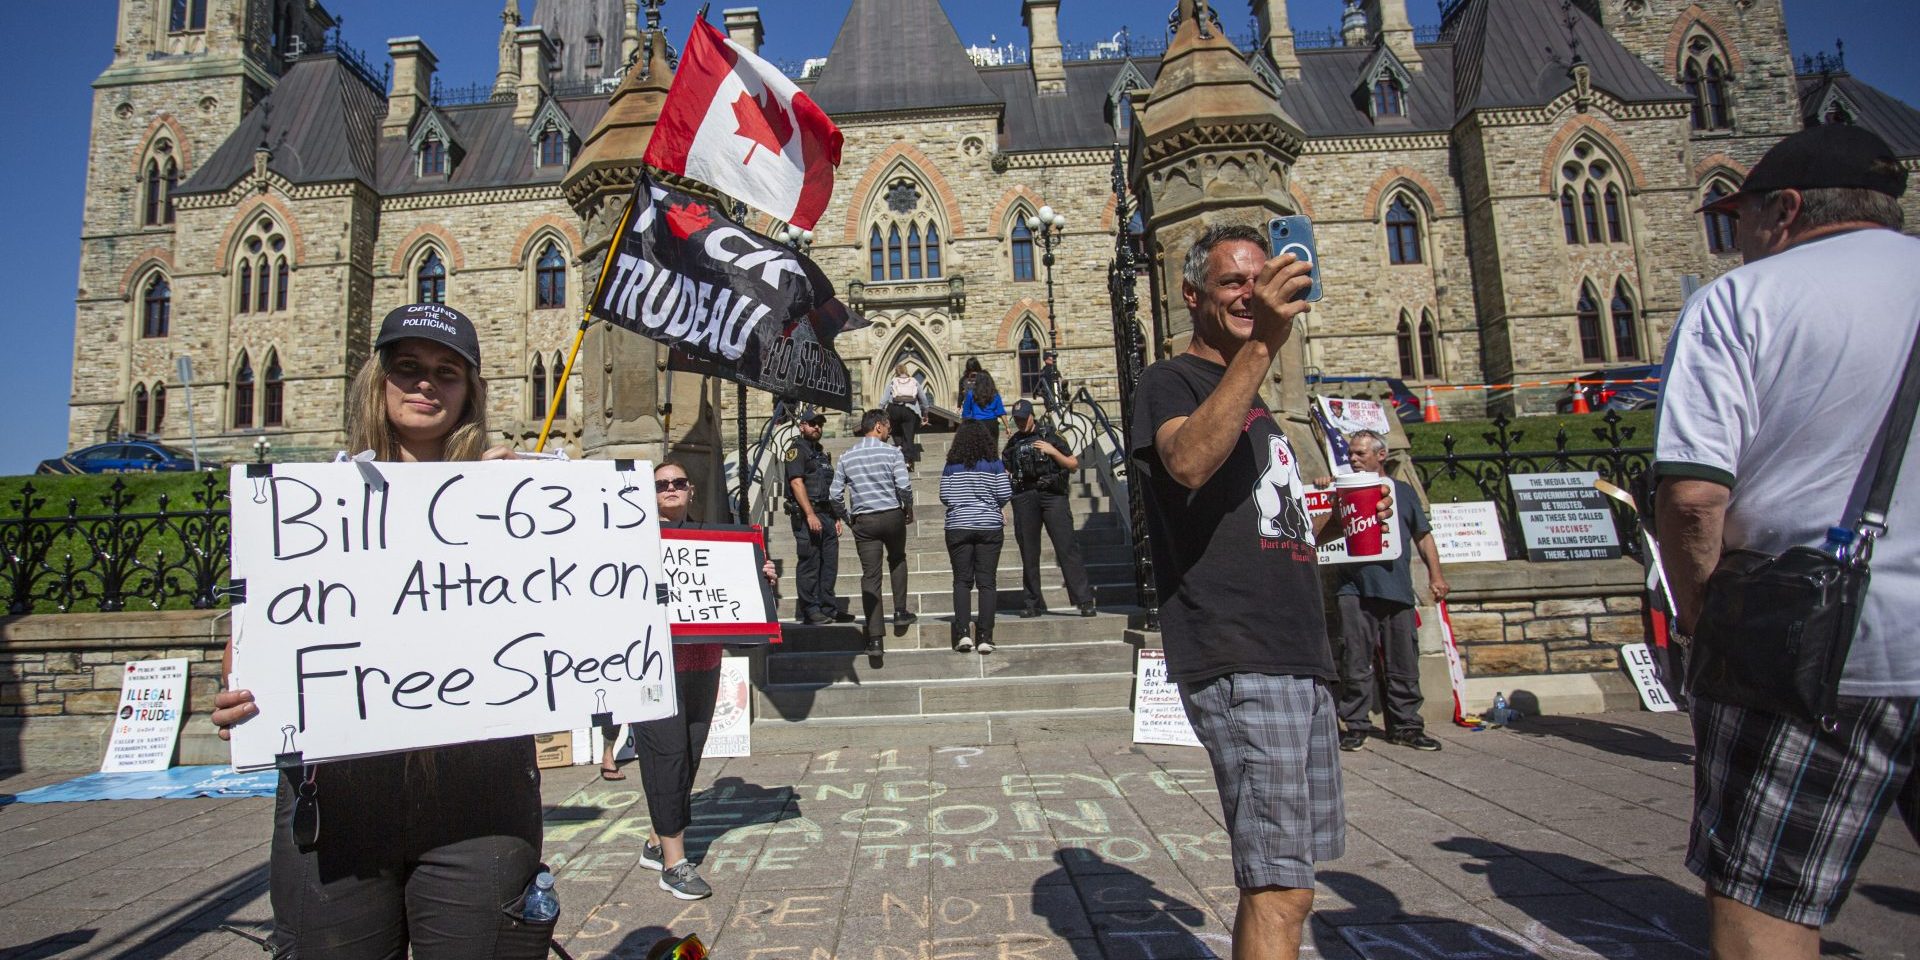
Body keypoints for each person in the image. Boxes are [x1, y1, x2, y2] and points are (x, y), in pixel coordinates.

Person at [209, 303, 551, 959]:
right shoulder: (305, 505)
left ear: (469, 390)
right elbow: (261, 636)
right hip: (337, 796)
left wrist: (523, 504)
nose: (426, 384)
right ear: (379, 378)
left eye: (447, 373)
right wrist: (241, 692)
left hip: (480, 788)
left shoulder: (513, 497)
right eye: (409, 368)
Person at [1653, 124, 1920, 960]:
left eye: (1740, 218)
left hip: (1815, 651)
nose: (1735, 239)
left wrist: (1702, 618)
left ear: (1787, 210)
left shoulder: (1745, 300)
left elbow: (1695, 498)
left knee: (1764, 903)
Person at [1130, 224, 1389, 960]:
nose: (1251, 293)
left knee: (1294, 883)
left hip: (1298, 653)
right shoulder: (1171, 381)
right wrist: (1263, 347)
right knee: (1277, 887)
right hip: (1241, 651)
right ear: (1192, 296)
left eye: (1259, 278)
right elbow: (1185, 462)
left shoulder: (1257, 394)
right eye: (1232, 283)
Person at [598, 461, 777, 901]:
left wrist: (761, 578)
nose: (672, 489)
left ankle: (658, 840)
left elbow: (732, 587)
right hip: (652, 666)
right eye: (662, 484)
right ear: (649, 493)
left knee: (691, 752)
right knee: (667, 754)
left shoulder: (713, 539)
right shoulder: (629, 539)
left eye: (679, 482)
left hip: (703, 662)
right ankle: (675, 864)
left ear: (691, 490)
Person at [1320, 429, 1447, 753]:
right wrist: (1323, 489)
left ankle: (1405, 726)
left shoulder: (1402, 492)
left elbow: (1423, 535)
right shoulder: (1341, 488)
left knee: (1403, 661)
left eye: (1361, 453)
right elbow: (1318, 516)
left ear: (1381, 455)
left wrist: (1436, 575)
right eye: (1350, 453)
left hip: (1396, 587)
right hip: (1353, 588)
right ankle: (1356, 725)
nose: (1353, 459)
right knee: (1355, 661)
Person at [831, 409, 914, 656]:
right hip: (891, 515)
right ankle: (900, 611)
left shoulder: (847, 456)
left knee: (871, 576)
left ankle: (875, 639)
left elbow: (834, 495)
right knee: (897, 559)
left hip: (864, 521)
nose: (890, 432)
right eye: (888, 427)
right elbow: (904, 486)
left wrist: (849, 519)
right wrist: (907, 508)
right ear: (878, 427)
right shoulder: (893, 453)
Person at [1003, 399, 1096, 618]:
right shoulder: (1013, 443)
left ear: (1032, 416)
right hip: (1025, 496)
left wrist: (1052, 451)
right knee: (1029, 551)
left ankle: (1083, 600)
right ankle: (1032, 602)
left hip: (1052, 495)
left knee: (1067, 547)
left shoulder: (1051, 436)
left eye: (1023, 419)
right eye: (1016, 420)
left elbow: (1072, 464)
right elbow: (1004, 469)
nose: (1020, 423)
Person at [940, 421, 1013, 654]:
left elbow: (944, 495)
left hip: (958, 525)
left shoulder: (951, 465)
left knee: (962, 581)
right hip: (988, 526)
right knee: (987, 582)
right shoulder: (994, 464)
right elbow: (1004, 493)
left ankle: (963, 633)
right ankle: (984, 636)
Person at [783, 406, 842, 625]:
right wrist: (809, 514)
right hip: (807, 515)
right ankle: (811, 609)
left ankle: (828, 606)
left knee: (829, 564)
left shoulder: (820, 453)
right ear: (802, 426)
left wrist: (835, 517)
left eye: (820, 424)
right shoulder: (797, 450)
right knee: (810, 562)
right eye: (812, 423)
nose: (817, 427)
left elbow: (828, 487)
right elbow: (796, 482)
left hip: (826, 514)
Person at [885, 364, 931, 467]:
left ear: (896, 372)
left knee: (896, 432)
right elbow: (923, 399)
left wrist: (881, 412)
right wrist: (925, 413)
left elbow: (884, 399)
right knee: (909, 435)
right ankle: (907, 460)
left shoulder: (893, 381)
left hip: (894, 409)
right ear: (906, 371)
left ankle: (900, 447)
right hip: (910, 410)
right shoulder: (914, 381)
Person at [962, 369, 1006, 445]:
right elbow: (1001, 412)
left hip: (977, 424)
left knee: (978, 450)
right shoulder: (995, 394)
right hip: (992, 424)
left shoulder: (971, 394)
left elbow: (966, 413)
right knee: (993, 449)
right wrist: (1007, 427)